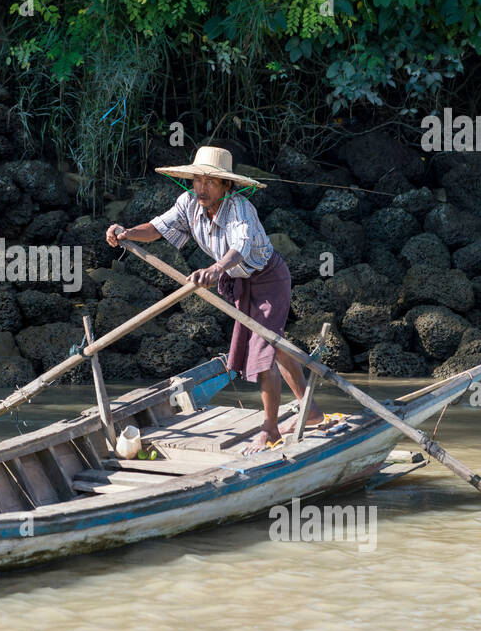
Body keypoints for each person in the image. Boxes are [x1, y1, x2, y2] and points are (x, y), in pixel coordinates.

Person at [105, 145, 324, 452]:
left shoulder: (239, 209)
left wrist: (216, 268)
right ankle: (310, 411)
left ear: (226, 185)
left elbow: (241, 245)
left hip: (268, 279)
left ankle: (270, 429)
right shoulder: (188, 204)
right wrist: (126, 232)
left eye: (210, 182)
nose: (201, 188)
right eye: (197, 180)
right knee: (276, 345)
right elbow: (157, 228)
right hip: (239, 280)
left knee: (263, 353)